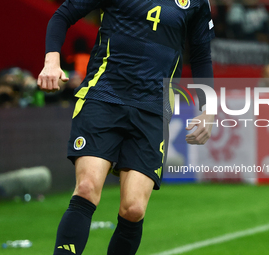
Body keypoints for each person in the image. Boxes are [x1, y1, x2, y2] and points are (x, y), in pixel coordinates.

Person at [37, 0, 215, 254]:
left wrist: (208, 108)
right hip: (103, 96)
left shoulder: (197, 2)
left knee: (133, 209)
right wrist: (52, 60)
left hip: (153, 108)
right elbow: (63, 14)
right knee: (87, 188)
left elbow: (201, 54)